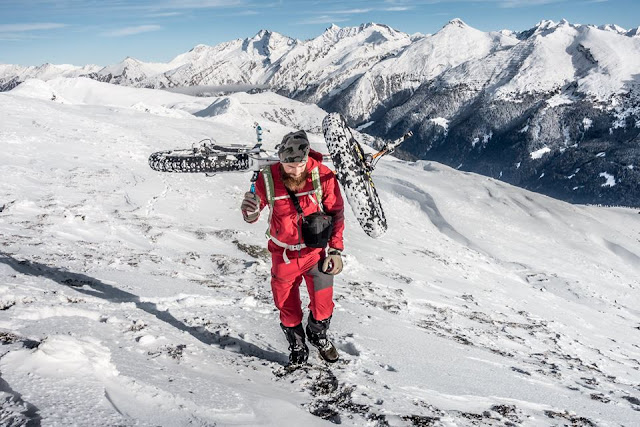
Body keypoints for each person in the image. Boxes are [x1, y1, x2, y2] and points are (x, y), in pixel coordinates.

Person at [241, 130, 345, 366]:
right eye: (290, 166)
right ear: (281, 159)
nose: (296, 171)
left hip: (315, 253)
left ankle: (317, 335)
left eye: (300, 165)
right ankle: (297, 345)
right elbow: (253, 210)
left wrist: (336, 250)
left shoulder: (322, 174)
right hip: (283, 255)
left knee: (322, 305)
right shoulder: (268, 177)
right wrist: (250, 211)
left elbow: (336, 213)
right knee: (287, 307)